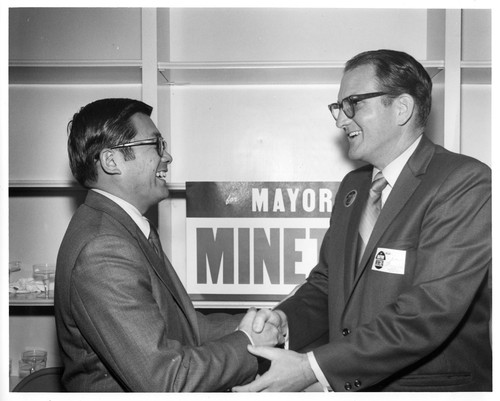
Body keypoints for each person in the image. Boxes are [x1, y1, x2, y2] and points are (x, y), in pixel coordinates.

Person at [233, 49, 492, 392]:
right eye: (338, 107)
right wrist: (284, 322)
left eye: (353, 103)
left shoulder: (464, 181)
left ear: (402, 108)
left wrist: (313, 368)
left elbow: (429, 310)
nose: (341, 120)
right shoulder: (354, 187)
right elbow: (328, 284)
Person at [54, 98, 286, 392]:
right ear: (111, 161)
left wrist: (260, 324)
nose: (168, 157)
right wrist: (250, 343)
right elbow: (166, 380)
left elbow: (185, 327)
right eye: (156, 145)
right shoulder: (104, 248)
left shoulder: (121, 229)